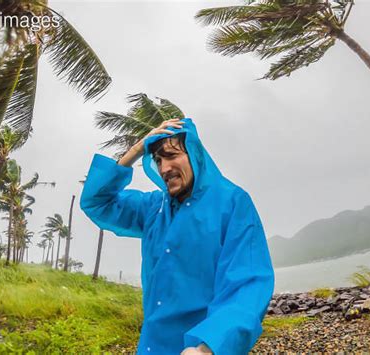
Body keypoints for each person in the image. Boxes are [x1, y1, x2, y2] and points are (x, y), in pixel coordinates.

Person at [80, 118, 275, 355]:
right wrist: (137, 149)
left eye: (172, 156)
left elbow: (248, 284)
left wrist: (208, 347)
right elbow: (97, 202)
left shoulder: (232, 203)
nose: (163, 168)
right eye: (158, 160)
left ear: (194, 153)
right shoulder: (153, 207)